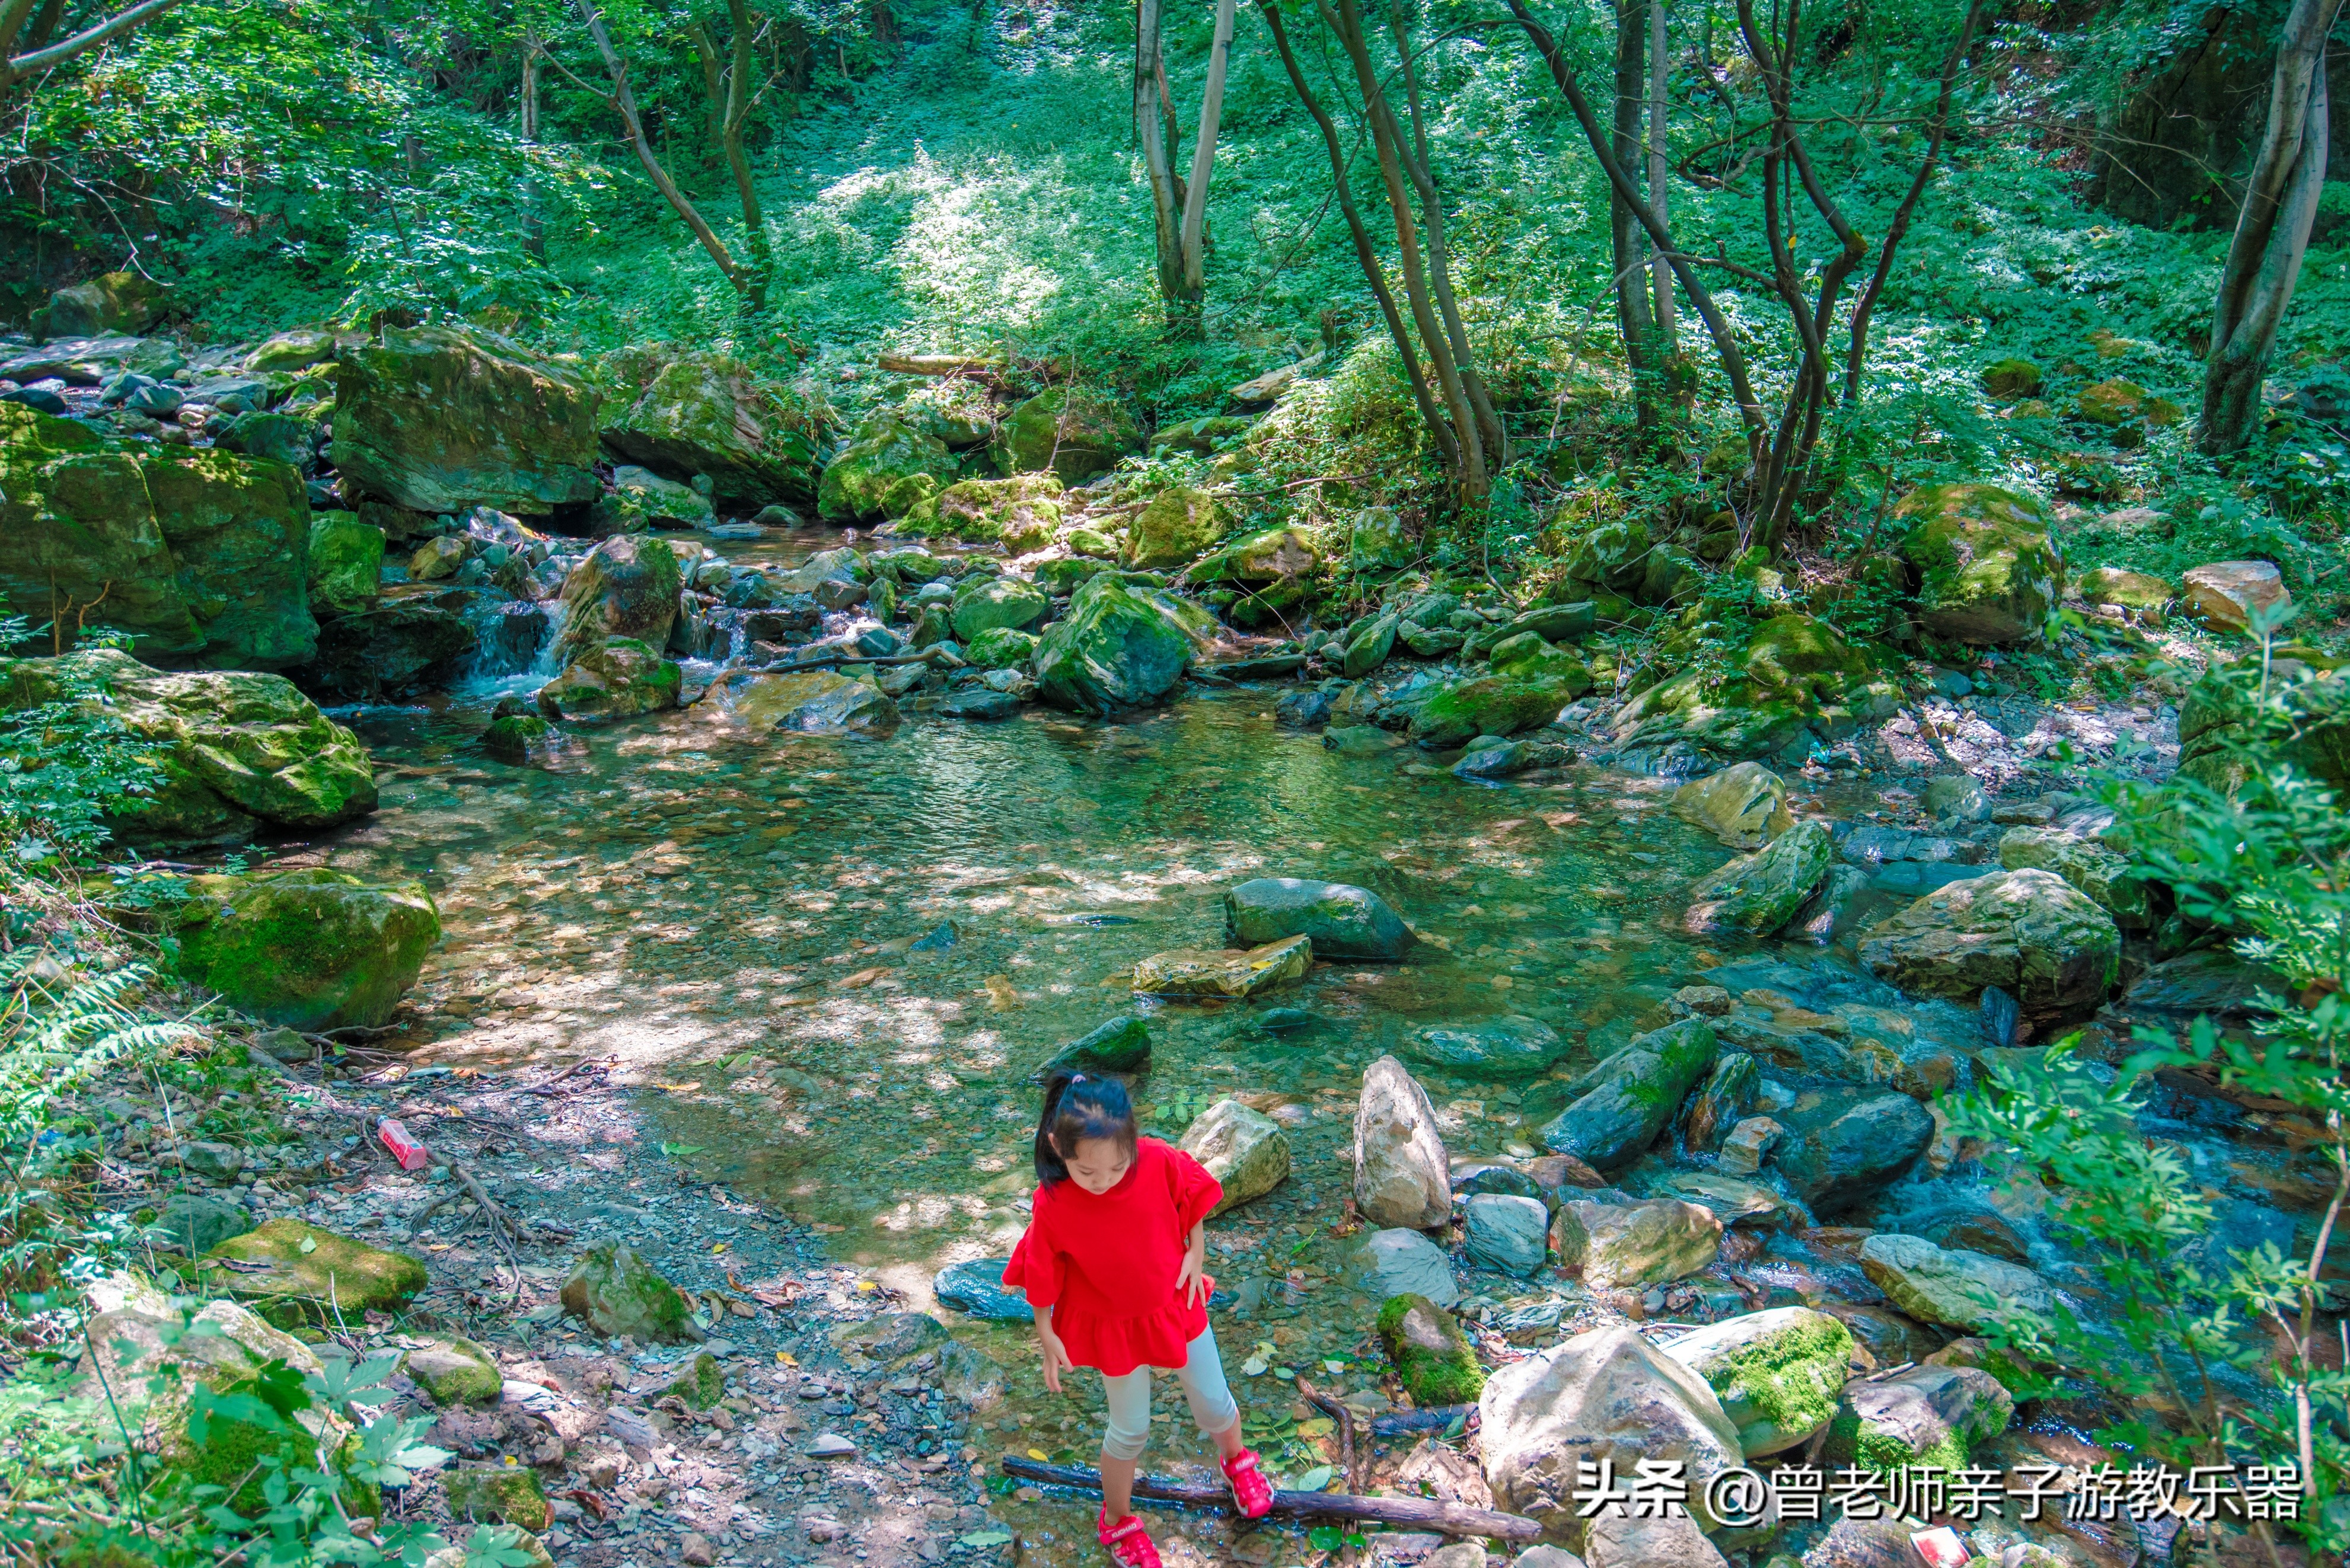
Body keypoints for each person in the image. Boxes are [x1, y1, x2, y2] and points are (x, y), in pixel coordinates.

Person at [1002, 1071, 1273, 1568]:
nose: (1103, 1182)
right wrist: (1046, 1333)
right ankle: (1118, 1518)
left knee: (1214, 1402)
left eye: (1116, 1167)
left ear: (1131, 1141)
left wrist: (1196, 1249)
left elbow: (1191, 1192)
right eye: (1088, 1172)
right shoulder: (1055, 1200)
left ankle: (1236, 1460)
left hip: (1175, 1302)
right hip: (1115, 1325)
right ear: (1057, 1147)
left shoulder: (1156, 1159)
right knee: (1130, 1429)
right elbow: (1040, 1266)